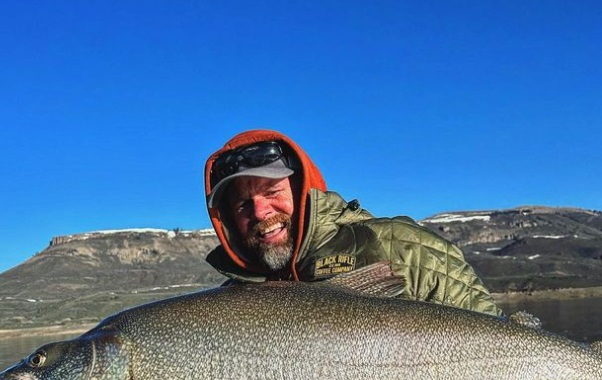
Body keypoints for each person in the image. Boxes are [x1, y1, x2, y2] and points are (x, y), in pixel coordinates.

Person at [204, 129, 502, 316]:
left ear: (304, 191)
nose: (259, 212)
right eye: (243, 204)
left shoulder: (402, 249)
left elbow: (498, 342)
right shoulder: (230, 304)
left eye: (271, 192)